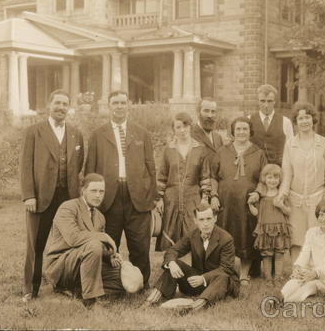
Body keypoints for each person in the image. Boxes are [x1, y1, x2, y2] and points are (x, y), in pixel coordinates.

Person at [85, 90, 157, 287]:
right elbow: (89, 171)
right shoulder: (98, 135)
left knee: (140, 245)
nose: (119, 106)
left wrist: (151, 197)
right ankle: (110, 284)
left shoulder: (141, 133)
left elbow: (151, 169)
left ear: (128, 105)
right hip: (109, 198)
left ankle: (141, 285)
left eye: (122, 103)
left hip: (137, 198)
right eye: (115, 103)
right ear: (109, 107)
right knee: (108, 244)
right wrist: (91, 201)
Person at [20, 89, 84, 302]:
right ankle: (31, 288)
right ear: (49, 104)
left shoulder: (76, 133)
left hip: (68, 197)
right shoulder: (34, 131)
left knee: (69, 242)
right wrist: (29, 195)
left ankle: (64, 283)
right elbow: (25, 165)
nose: (61, 107)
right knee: (36, 244)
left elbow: (79, 163)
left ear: (69, 108)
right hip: (40, 197)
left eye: (65, 104)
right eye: (57, 103)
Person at [44, 174, 125, 307]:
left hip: (87, 264)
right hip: (62, 264)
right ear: (83, 191)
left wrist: (110, 256)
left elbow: (101, 247)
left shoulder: (100, 217)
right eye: (93, 191)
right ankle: (90, 300)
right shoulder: (68, 207)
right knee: (93, 246)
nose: (98, 195)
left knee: (124, 278)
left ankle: (78, 290)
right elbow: (73, 238)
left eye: (101, 191)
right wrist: (103, 237)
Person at [143, 204, 240, 312]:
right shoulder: (192, 235)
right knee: (175, 264)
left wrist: (203, 278)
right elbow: (173, 250)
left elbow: (226, 269)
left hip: (222, 284)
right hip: (198, 283)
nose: (206, 223)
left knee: (223, 276)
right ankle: (151, 301)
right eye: (201, 219)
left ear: (215, 219)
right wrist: (171, 263)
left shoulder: (226, 239)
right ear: (195, 221)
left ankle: (194, 308)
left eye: (209, 219)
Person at [210, 117, 268, 285]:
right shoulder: (222, 151)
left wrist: (258, 193)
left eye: (245, 129)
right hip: (225, 203)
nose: (241, 132)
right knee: (223, 234)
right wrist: (213, 195)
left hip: (246, 203)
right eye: (238, 129)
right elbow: (213, 176)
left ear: (250, 131)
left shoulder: (258, 152)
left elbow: (264, 178)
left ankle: (244, 273)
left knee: (245, 234)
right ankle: (225, 270)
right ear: (233, 131)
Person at [278, 102, 325, 265]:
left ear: (313, 119)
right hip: (296, 198)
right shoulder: (290, 144)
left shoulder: (323, 142)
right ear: (295, 121)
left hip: (318, 196)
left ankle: (316, 269)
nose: (304, 121)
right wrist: (283, 194)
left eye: (307, 117)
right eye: (300, 118)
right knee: (297, 238)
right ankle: (298, 270)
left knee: (317, 234)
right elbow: (287, 172)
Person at [155, 112, 211, 251]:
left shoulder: (200, 149)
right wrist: (159, 199)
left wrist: (205, 198)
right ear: (174, 129)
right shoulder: (169, 150)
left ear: (190, 126)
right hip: (171, 199)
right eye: (178, 127)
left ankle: (194, 268)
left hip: (193, 197)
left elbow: (205, 176)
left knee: (193, 232)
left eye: (185, 126)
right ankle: (171, 267)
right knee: (171, 231)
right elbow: (162, 176)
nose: (182, 130)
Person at [280, 198, 325, 302]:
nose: (323, 219)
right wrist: (298, 267)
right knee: (294, 281)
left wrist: (315, 274)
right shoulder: (311, 232)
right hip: (311, 273)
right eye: (321, 215)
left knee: (311, 285)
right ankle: (280, 297)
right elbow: (305, 253)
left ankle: (286, 302)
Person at [247, 164, 292, 284]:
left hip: (279, 229)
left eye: (276, 178)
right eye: (269, 177)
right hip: (265, 229)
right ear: (264, 179)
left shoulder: (282, 195)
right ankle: (268, 278)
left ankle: (278, 277)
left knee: (279, 254)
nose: (272, 181)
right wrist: (250, 205)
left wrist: (281, 205)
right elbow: (256, 213)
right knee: (267, 254)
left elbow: (288, 211)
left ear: (280, 179)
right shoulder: (262, 196)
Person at [249, 84, 294, 166]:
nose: (266, 105)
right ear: (257, 101)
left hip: (278, 170)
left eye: (269, 101)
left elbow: (291, 150)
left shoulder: (286, 122)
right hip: (254, 170)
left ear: (274, 102)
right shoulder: (248, 120)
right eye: (262, 101)